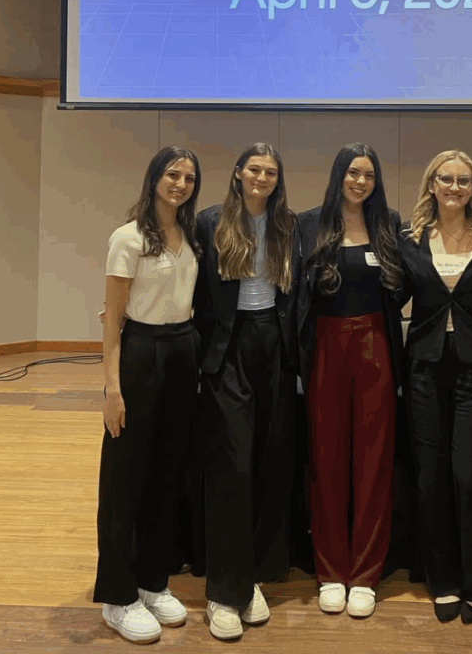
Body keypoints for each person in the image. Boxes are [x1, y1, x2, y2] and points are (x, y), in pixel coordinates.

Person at [399, 149, 472, 623]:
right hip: (424, 369)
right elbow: (390, 293)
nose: (453, 187)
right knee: (430, 476)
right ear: (431, 184)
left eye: (463, 180)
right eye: (445, 179)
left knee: (471, 475)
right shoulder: (409, 239)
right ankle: (442, 580)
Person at [94, 145, 202, 644]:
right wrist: (112, 390)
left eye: (188, 178)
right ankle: (117, 596)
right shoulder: (128, 237)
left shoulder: (191, 235)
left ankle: (152, 582)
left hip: (182, 351)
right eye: (172, 174)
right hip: (139, 353)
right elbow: (112, 321)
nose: (180, 184)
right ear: (154, 177)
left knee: (166, 474)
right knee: (125, 478)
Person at [193, 143, 300, 642]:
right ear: (238, 173)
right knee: (231, 468)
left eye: (270, 172)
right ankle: (222, 591)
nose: (262, 177)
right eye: (254, 169)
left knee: (266, 462)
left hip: (272, 345)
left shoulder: (287, 224)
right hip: (228, 347)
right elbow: (192, 287)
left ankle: (250, 576)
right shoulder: (210, 221)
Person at [297, 142, 403, 620]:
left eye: (369, 175)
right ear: (339, 174)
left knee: (373, 461)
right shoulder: (309, 223)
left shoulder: (388, 224)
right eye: (353, 173)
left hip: (375, 345)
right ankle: (331, 572)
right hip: (325, 347)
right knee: (327, 459)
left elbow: (402, 288)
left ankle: (364, 575)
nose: (361, 182)